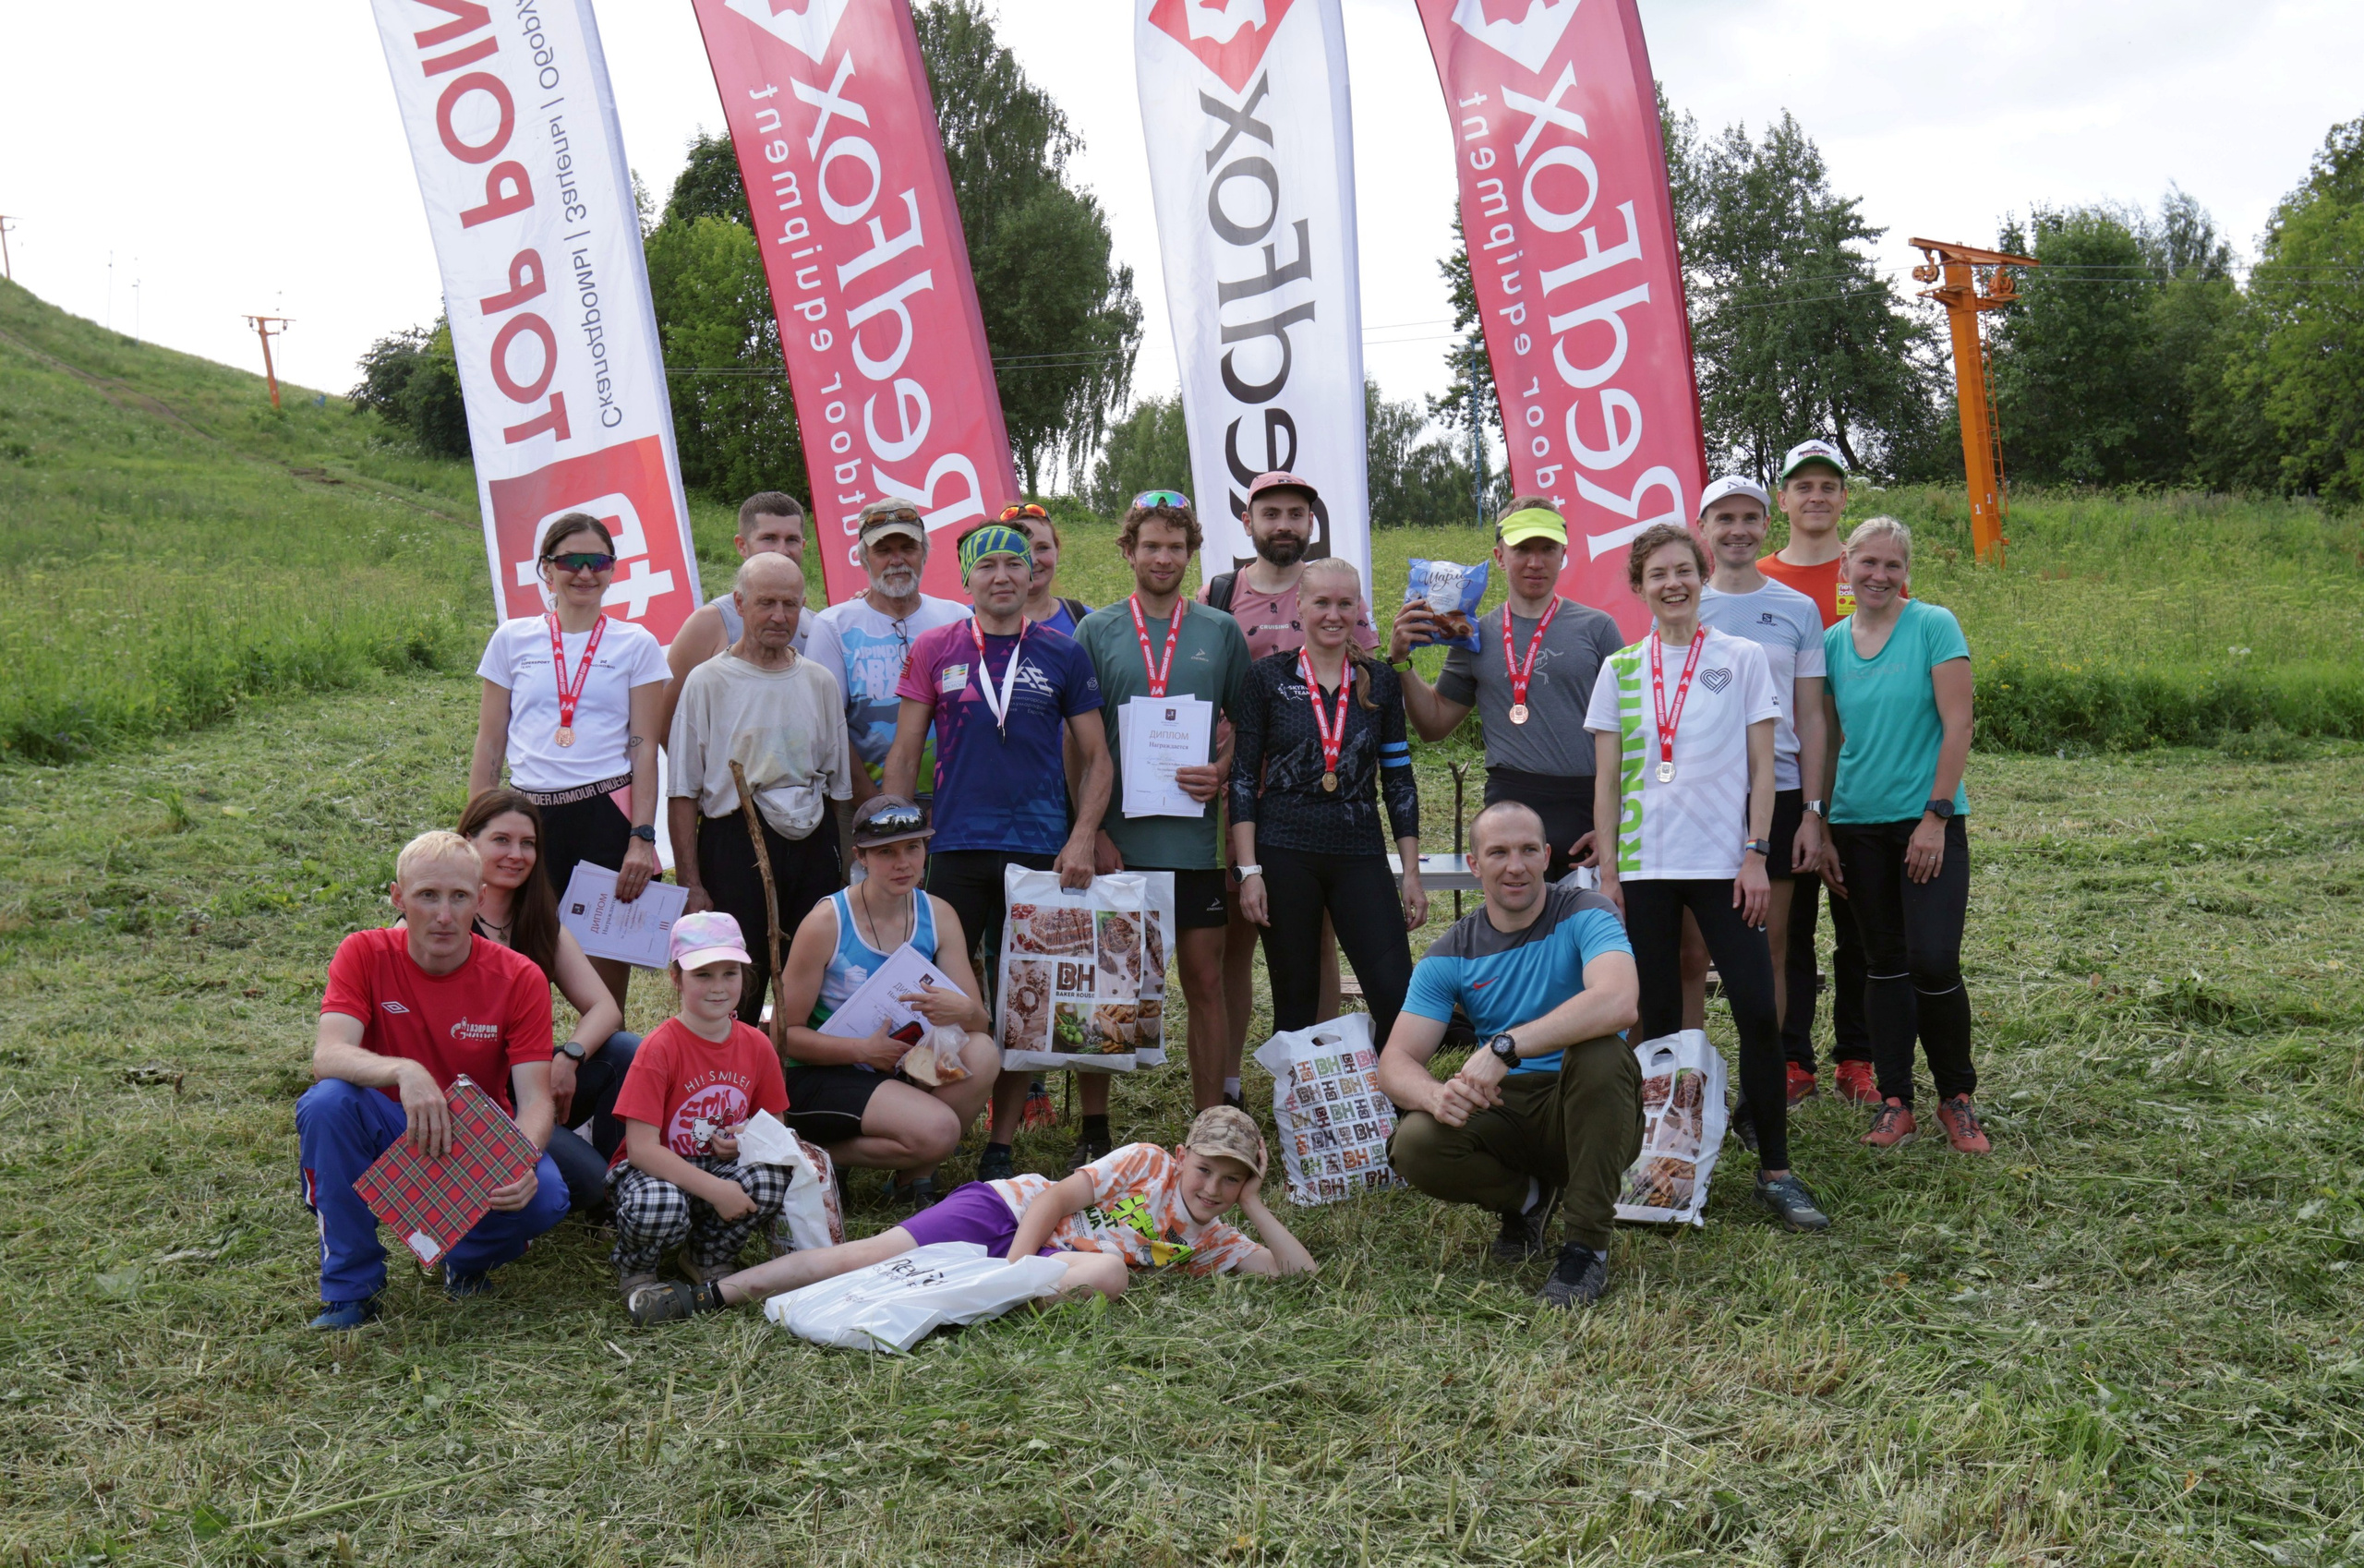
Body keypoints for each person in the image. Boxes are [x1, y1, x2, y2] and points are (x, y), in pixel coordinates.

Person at [1586, 524, 1830, 1232]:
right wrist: (1610, 873)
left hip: (1725, 868)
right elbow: (1606, 782)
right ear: (1640, 588)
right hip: (1646, 869)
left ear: (1701, 577)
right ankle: (1662, 1168)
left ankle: (1776, 1171)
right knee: (1657, 1021)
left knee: (1756, 1010)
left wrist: (1756, 854)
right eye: (1658, 574)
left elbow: (1765, 769)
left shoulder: (1742, 658)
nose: (1673, 584)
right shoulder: (1620, 670)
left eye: (1683, 571)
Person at [885, 519, 1114, 1182]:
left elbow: (1098, 758)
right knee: (937, 994)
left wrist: (1081, 836)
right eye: (987, 566)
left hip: (1039, 851)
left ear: (1031, 571)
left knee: (1027, 998)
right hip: (957, 848)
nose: (1003, 576)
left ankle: (1001, 1143)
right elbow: (905, 750)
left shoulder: (1063, 652)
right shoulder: (935, 647)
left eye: (1015, 563)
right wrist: (894, 844)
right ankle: (924, 1139)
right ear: (967, 579)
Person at [628, 1105, 1315, 1323]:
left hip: (1050, 1264)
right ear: (1181, 1156)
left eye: (1233, 1180)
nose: (1214, 1188)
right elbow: (1054, 1198)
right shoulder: (1145, 1162)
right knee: (863, 1255)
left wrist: (1256, 1203)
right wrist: (1012, 1266)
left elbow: (1297, 1273)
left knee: (1109, 1274)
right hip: (1007, 1213)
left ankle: (967, 1297)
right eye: (1206, 1170)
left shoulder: (1215, 1239)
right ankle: (712, 1295)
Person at [296, 831, 572, 1329]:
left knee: (546, 1196)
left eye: (459, 896)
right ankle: (352, 1289)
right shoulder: (363, 952)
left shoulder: (520, 976)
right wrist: (404, 1070)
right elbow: (328, 1054)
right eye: (427, 895)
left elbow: (535, 1099)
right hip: (387, 1124)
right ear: (398, 898)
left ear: (480, 900)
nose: (444, 915)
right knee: (327, 1103)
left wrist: (521, 1158)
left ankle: (463, 1260)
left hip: (473, 1138)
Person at [1379, 802, 1641, 1309]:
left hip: (1592, 1105)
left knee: (1601, 1051)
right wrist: (1434, 1096)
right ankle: (1529, 1202)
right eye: (1498, 852)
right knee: (1414, 1143)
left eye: (1527, 850)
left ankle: (1586, 1248)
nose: (1515, 866)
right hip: (1506, 1109)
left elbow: (1618, 1001)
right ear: (1475, 864)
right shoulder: (1451, 952)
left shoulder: (1587, 912)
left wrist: (1506, 1046)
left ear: (1546, 856)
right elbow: (1395, 1063)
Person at [1075, 490, 1255, 1133]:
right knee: (1110, 983)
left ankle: (1209, 1126)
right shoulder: (1096, 631)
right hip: (1118, 844)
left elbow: (1249, 727)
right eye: (1150, 545)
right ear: (1128, 551)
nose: (1162, 558)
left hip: (1194, 846)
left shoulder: (1220, 631)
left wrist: (1222, 770)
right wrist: (1089, 831)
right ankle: (1095, 1128)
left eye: (1175, 547)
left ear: (1190, 553)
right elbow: (1077, 742)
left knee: (1204, 981)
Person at [1198, 472, 1377, 1103]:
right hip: (1238, 795)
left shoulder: (1332, 593)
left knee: (1317, 939)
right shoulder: (1219, 594)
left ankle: (1315, 1079)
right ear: (1247, 522)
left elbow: (1368, 687)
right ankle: (1229, 1084)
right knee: (1236, 942)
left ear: (1310, 523)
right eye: (1270, 513)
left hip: (1315, 804)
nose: (1284, 524)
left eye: (1296, 514)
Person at [1820, 517, 1988, 1154]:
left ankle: (1956, 1098)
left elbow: (1958, 723)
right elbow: (1829, 743)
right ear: (1846, 566)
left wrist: (1935, 817)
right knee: (1883, 964)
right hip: (1856, 826)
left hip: (1927, 824)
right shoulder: (1832, 644)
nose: (1879, 575)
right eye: (1868, 562)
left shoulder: (1933, 626)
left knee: (1934, 960)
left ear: (1906, 572)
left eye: (1893, 565)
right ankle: (1896, 1102)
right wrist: (1822, 824)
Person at [468, 512, 669, 1016]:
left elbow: (644, 748)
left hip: (604, 817)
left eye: (597, 561)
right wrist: (473, 834)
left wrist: (642, 838)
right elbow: (490, 743)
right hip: (526, 821)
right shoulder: (511, 639)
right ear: (546, 569)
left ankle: (597, 1062)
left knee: (602, 993)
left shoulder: (637, 644)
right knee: (507, 972)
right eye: (570, 561)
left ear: (613, 569)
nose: (584, 573)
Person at [1230, 555, 1427, 1052]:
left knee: (1394, 993)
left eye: (1345, 603)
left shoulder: (1380, 680)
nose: (1334, 615)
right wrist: (1249, 871)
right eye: (1322, 602)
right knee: (1295, 998)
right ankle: (1297, 1099)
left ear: (1359, 609)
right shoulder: (1267, 678)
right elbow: (1242, 778)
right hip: (1284, 849)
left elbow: (1399, 781)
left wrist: (1410, 872)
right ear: (1299, 605)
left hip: (1359, 850)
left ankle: (1399, 1094)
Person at [772, 794, 1003, 1201]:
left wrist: (963, 1008)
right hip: (823, 1072)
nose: (903, 863)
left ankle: (913, 1177)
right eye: (886, 852)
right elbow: (782, 1036)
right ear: (861, 856)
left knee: (983, 1053)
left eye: (913, 847)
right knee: (940, 1130)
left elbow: (977, 1023)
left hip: (900, 1064)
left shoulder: (938, 914)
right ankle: (819, 1154)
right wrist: (862, 1050)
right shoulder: (827, 921)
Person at [1686, 476, 1831, 1116]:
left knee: (1769, 950)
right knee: (1692, 954)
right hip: (1700, 798)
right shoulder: (1684, 603)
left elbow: (1813, 718)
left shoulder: (1798, 608)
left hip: (1780, 795)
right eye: (1724, 518)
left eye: (1750, 518)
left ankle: (1760, 1092)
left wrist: (1814, 813)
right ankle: (1687, 1090)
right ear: (1703, 528)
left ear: (1766, 526)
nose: (1738, 530)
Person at [1390, 496, 1625, 882]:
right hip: (1511, 807)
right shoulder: (1473, 634)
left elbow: (1632, 733)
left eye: (1547, 549)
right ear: (1500, 557)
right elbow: (1433, 725)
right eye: (1522, 549)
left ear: (1563, 555)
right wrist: (1401, 662)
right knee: (1518, 921)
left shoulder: (1598, 629)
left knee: (1589, 921)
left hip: (1589, 807)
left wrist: (1613, 823)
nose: (1535, 562)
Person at [667, 552, 853, 1025]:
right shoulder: (707, 682)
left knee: (810, 981)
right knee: (737, 979)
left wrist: (846, 871)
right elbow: (683, 792)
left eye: (790, 605)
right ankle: (729, 1066)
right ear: (739, 604)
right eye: (766, 603)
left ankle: (799, 1069)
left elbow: (839, 792)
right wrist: (691, 884)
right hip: (734, 846)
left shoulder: (820, 682)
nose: (779, 616)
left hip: (812, 846)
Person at [447, 789, 639, 1214]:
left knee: (626, 1049)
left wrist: (570, 1056)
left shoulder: (538, 920)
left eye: (528, 843)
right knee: (589, 1183)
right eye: (501, 840)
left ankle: (621, 1184)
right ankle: (585, 1182)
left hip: (530, 1082)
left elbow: (605, 1008)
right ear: (468, 842)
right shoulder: (443, 920)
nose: (516, 855)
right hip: (469, 1095)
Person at [1756, 440, 1877, 1104]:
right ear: (1783, 499)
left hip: (1860, 776)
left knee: (1860, 927)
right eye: (1803, 485)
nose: (1816, 496)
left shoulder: (1870, 572)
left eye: (1829, 485)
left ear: (1844, 498)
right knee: (1788, 927)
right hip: (1787, 778)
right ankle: (1790, 1057)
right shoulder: (1759, 578)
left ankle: (1856, 1057)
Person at [607, 911, 794, 1322]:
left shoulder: (757, 1045)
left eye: (730, 973)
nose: (718, 987)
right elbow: (641, 1150)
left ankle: (706, 1255)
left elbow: (775, 1129)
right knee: (658, 1203)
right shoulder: (659, 1047)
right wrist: (716, 1190)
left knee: (772, 1176)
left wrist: (745, 1138)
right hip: (657, 1171)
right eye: (703, 975)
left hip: (720, 1167)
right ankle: (638, 1268)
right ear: (676, 979)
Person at [658, 491, 849, 757]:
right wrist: (710, 777)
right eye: (769, 538)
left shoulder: (817, 625)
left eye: (792, 540)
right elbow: (666, 721)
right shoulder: (708, 623)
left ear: (803, 545)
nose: (782, 550)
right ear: (742, 545)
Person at [815, 500, 971, 797]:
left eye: (908, 548)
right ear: (864, 560)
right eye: (883, 551)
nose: (897, 560)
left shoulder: (958, 619)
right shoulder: (834, 627)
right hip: (862, 801)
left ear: (924, 554)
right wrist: (876, 807)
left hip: (954, 799)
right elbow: (829, 728)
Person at [1006, 502, 1092, 635]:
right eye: (1020, 550)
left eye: (1042, 548)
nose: (1032, 560)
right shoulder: (972, 619)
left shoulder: (1086, 620)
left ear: (1057, 552)